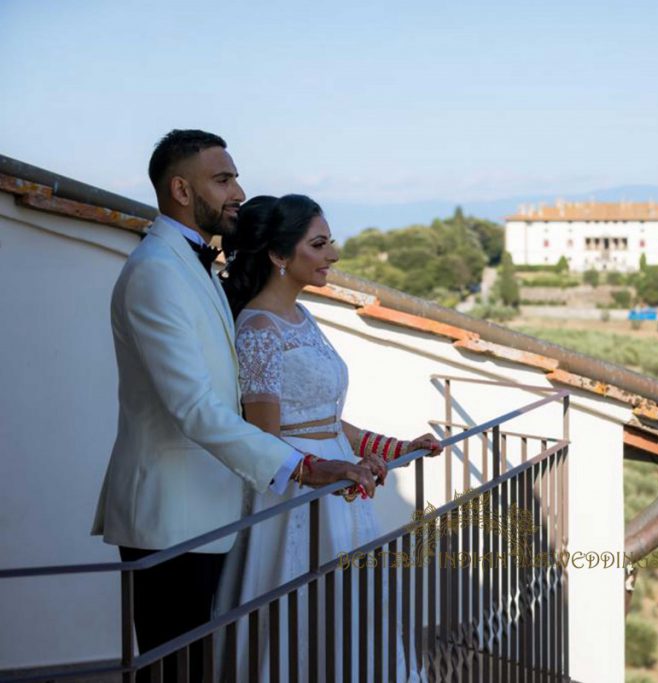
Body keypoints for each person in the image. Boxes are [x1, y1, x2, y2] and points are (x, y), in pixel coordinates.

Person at [91, 131, 377, 683]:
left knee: (201, 666)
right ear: (180, 189)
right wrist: (305, 465)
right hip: (171, 517)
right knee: (173, 669)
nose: (239, 192)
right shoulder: (157, 271)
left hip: (211, 509)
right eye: (222, 180)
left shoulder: (190, 264)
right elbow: (193, 406)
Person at [218, 193, 441, 681]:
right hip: (298, 499)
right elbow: (264, 438)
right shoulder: (258, 329)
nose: (333, 255)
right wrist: (329, 471)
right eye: (319, 244)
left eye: (330, 242)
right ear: (279, 255)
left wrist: (396, 448)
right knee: (302, 622)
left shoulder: (303, 317)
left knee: (353, 622)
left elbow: (328, 421)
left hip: (341, 490)